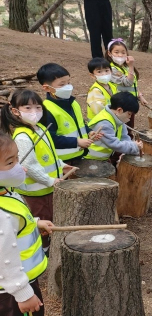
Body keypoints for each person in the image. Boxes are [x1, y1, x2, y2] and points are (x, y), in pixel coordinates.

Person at [0, 133, 68, 316]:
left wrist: (36, 222)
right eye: (10, 162)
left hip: (4, 288)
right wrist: (22, 293)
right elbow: (5, 255)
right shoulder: (2, 213)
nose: (20, 167)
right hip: (16, 286)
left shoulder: (5, 194)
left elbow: (16, 225)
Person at [0, 90, 71, 250]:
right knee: (43, 223)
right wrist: (50, 180)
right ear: (15, 111)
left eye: (38, 107)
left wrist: (62, 165)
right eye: (28, 108)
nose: (35, 112)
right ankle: (44, 250)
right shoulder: (23, 136)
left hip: (47, 188)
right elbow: (30, 166)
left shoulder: (38, 128)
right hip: (37, 191)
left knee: (50, 219)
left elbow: (48, 154)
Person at [38, 63, 96, 166]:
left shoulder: (73, 103)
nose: (68, 87)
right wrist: (77, 142)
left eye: (68, 82)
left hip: (79, 155)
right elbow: (50, 138)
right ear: (47, 88)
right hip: (62, 162)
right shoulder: (47, 110)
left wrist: (89, 132)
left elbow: (80, 124)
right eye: (62, 84)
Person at [85, 92, 142, 162]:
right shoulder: (105, 123)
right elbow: (115, 144)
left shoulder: (118, 118)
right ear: (119, 110)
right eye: (129, 114)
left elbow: (124, 137)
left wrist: (134, 149)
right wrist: (134, 146)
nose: (130, 117)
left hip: (103, 157)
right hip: (91, 158)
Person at [106, 38, 146, 128]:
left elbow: (134, 83)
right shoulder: (112, 69)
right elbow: (128, 82)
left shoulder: (126, 67)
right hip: (121, 103)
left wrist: (140, 96)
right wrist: (131, 66)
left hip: (130, 101)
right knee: (123, 128)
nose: (120, 55)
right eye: (116, 52)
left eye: (123, 52)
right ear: (109, 53)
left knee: (130, 126)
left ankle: (130, 140)